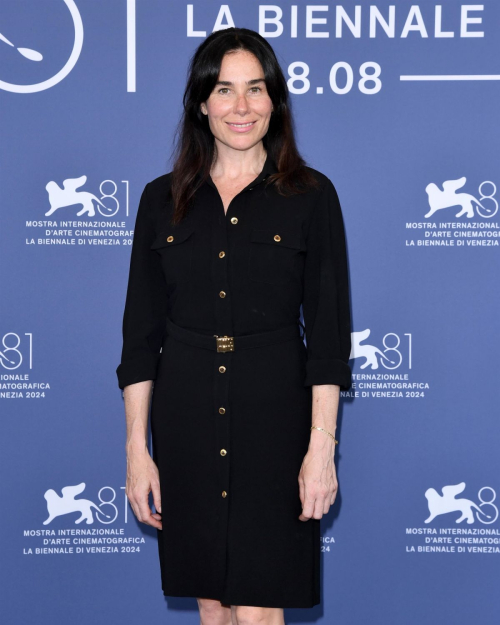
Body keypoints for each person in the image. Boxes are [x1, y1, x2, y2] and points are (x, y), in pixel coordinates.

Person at [116, 27, 352, 625]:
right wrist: (136, 451)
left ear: (275, 100)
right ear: (202, 102)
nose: (241, 107)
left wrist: (320, 449)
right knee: (211, 604)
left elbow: (327, 336)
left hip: (274, 418)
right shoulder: (159, 200)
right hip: (186, 415)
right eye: (225, 90)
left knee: (257, 606)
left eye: (255, 89)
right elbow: (141, 335)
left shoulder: (311, 196)